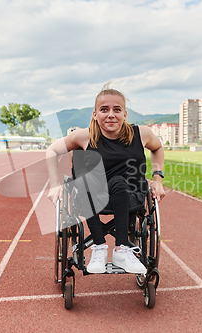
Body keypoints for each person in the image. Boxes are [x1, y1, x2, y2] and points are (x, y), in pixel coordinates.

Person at [46, 84, 165, 275]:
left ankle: (121, 250)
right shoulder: (84, 136)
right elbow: (52, 150)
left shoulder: (141, 134)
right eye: (104, 109)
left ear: (125, 114)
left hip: (129, 195)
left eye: (117, 110)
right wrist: (54, 184)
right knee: (83, 181)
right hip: (92, 196)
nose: (111, 114)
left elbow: (157, 148)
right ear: (95, 114)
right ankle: (99, 248)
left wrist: (157, 179)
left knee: (119, 182)